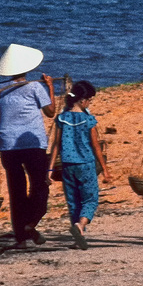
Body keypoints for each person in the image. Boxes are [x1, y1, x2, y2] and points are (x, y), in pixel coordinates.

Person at [0, 43, 55, 248]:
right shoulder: (35, 87)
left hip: (8, 145)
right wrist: (50, 86)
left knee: (16, 190)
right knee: (40, 185)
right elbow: (51, 112)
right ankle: (30, 224)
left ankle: (22, 235)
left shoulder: (0, 89)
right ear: (26, 69)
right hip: (32, 143)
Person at [51, 80, 107, 250]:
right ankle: (80, 226)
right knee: (90, 199)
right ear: (83, 101)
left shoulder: (62, 118)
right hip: (86, 164)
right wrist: (105, 169)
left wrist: (50, 169)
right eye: (90, 100)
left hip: (68, 165)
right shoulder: (89, 120)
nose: (90, 103)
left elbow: (56, 145)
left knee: (73, 202)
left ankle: (78, 238)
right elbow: (96, 146)